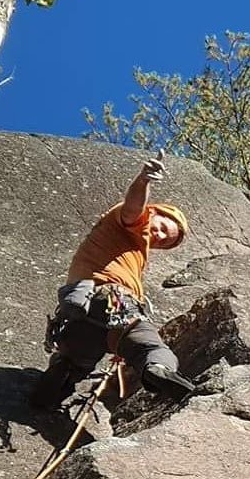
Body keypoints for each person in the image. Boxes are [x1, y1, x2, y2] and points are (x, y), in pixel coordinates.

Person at [30, 151, 196, 409]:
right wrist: (143, 180)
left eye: (165, 242)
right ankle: (158, 369)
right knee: (148, 348)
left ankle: (57, 380)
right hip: (113, 301)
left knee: (78, 361)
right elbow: (132, 208)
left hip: (81, 310)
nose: (161, 237)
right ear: (153, 213)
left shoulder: (125, 247)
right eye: (163, 228)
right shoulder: (131, 223)